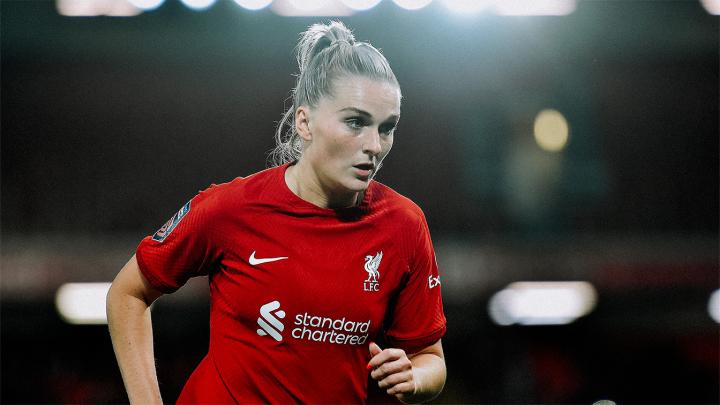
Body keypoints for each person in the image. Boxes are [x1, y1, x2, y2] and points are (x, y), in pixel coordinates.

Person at [107, 21, 446, 404]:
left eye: (387, 127)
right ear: (304, 122)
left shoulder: (404, 225)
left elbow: (431, 358)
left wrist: (415, 377)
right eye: (356, 122)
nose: (374, 145)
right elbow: (127, 294)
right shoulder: (230, 208)